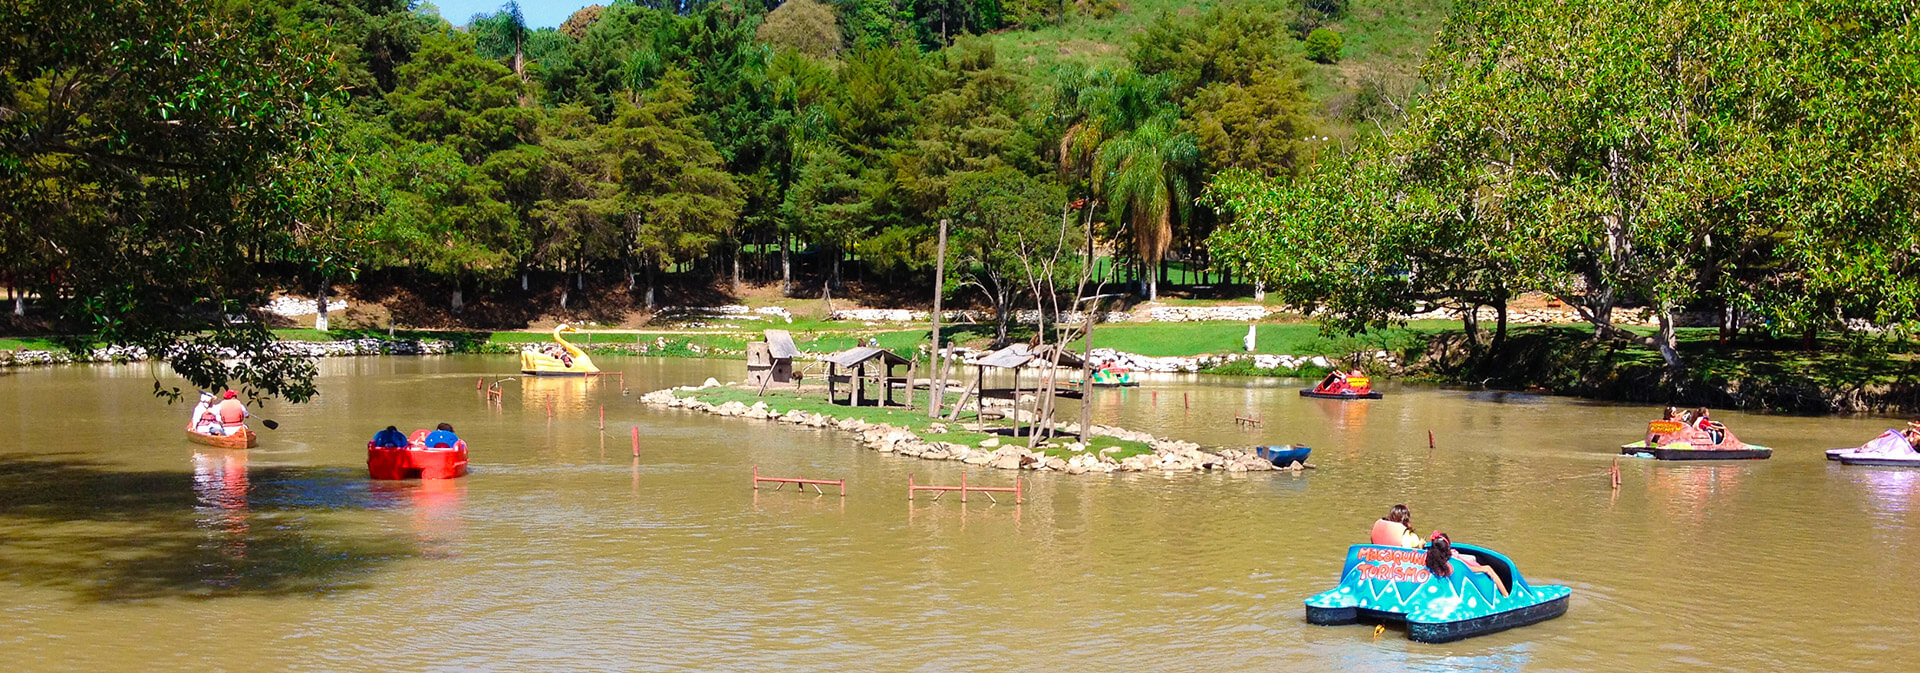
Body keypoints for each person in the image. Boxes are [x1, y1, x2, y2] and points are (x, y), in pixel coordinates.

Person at [1425, 532, 1508, 596]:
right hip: (1467, 571)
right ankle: (1506, 596)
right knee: (1488, 569)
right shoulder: (1454, 560)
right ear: (1447, 547)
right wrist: (1484, 569)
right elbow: (1465, 568)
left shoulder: (1429, 559)